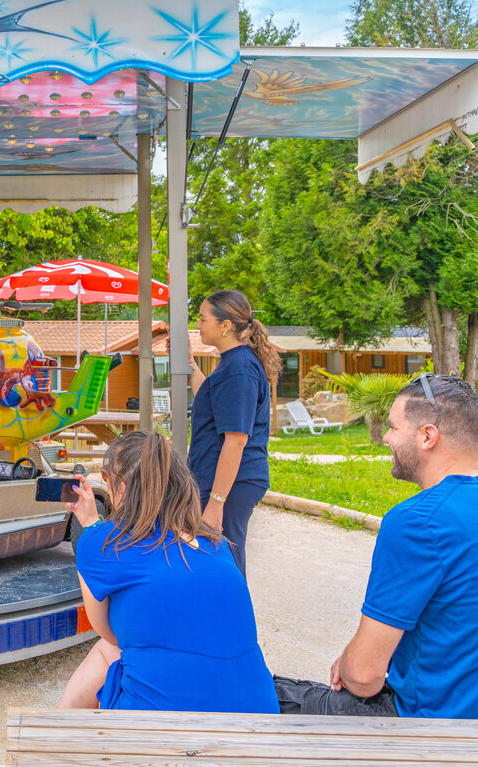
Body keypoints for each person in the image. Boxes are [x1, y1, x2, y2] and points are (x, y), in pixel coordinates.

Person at [274, 375, 478, 719]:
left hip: (429, 723)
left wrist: (355, 661)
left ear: (427, 436)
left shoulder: (419, 522)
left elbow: (364, 677)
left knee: (253, 693)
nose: (385, 437)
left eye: (394, 427)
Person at [58, 430, 278, 713]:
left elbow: (110, 633)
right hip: (256, 718)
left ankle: (56, 738)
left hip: (162, 731)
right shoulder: (214, 543)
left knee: (105, 649)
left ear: (122, 488)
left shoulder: (104, 543)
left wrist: (89, 526)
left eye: (106, 477)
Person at [184, 289, 280, 574]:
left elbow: (236, 441)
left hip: (231, 483)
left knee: (224, 563)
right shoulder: (233, 364)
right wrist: (189, 365)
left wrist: (216, 502)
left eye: (202, 319)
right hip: (224, 480)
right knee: (217, 559)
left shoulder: (239, 368)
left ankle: (234, 617)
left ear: (225, 326)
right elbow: (212, 400)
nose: (198, 326)